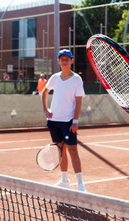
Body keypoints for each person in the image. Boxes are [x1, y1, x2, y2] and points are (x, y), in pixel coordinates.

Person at [41, 49, 86, 192]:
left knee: (73, 151)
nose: (65, 61)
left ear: (71, 61)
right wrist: (46, 110)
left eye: (67, 59)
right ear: (58, 61)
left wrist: (75, 121)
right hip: (54, 121)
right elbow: (44, 92)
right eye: (62, 59)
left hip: (68, 122)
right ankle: (64, 180)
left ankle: (80, 184)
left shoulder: (77, 79)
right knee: (61, 151)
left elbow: (78, 101)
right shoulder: (54, 77)